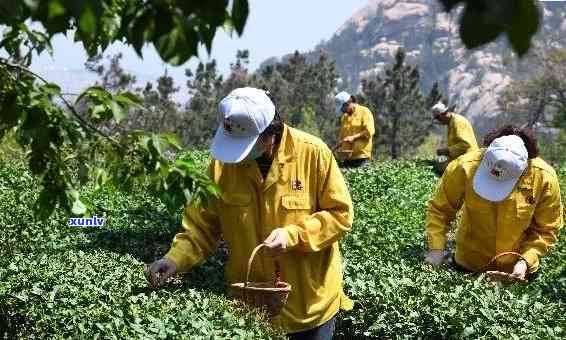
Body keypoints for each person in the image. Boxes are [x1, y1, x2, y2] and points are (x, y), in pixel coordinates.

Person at [147, 87, 354, 338]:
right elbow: (201, 226)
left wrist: (294, 235)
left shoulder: (313, 153)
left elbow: (340, 215)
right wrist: (174, 259)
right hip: (250, 307)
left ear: (270, 134)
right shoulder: (222, 165)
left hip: (309, 306)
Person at [425, 125, 563, 281]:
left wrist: (525, 261)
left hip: (516, 270)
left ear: (523, 170)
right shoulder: (464, 167)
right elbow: (440, 210)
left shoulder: (544, 178)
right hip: (470, 263)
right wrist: (435, 250)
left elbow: (547, 229)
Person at [431, 102, 478, 173]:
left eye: (438, 119)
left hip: (468, 160)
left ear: (441, 115)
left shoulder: (458, 122)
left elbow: (465, 145)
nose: (439, 121)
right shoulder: (451, 123)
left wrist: (447, 150)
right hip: (461, 159)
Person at [335, 91, 375, 168]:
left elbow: (369, 132)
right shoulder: (344, 118)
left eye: (343, 108)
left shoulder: (364, 112)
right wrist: (334, 149)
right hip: (347, 158)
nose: (343, 111)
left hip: (361, 158)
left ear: (348, 102)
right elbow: (343, 139)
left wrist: (353, 137)